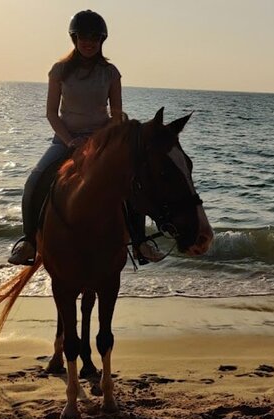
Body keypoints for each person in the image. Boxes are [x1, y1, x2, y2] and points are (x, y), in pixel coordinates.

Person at [8, 9, 164, 265]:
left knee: (132, 181)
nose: (89, 42)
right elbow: (51, 113)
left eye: (95, 37)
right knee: (34, 181)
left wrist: (100, 141)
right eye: (83, 37)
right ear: (74, 38)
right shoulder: (59, 70)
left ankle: (140, 242)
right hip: (65, 139)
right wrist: (70, 141)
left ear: (102, 40)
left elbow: (116, 115)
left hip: (101, 140)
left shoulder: (111, 72)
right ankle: (28, 242)